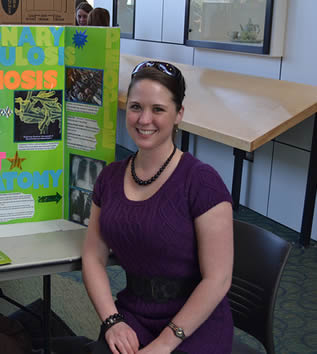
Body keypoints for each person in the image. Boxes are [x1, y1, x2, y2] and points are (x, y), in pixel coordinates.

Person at [82, 61, 234, 353]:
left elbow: (219, 279)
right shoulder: (110, 177)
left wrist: (165, 343)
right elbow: (92, 256)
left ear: (179, 115)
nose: (144, 119)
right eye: (137, 107)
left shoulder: (201, 182)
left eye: (159, 109)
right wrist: (112, 320)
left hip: (193, 323)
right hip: (133, 314)